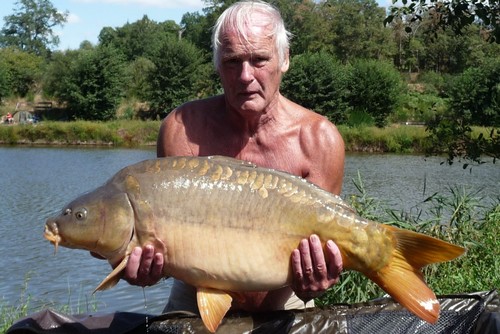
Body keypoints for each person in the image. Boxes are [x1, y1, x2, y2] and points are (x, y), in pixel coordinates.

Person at [124, 0, 345, 313]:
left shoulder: (320, 139)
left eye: (259, 60)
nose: (245, 75)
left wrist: (316, 282)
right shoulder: (181, 130)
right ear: (217, 64)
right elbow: (166, 243)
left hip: (285, 298)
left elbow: (322, 252)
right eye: (232, 61)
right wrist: (147, 267)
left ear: (284, 60)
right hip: (196, 297)